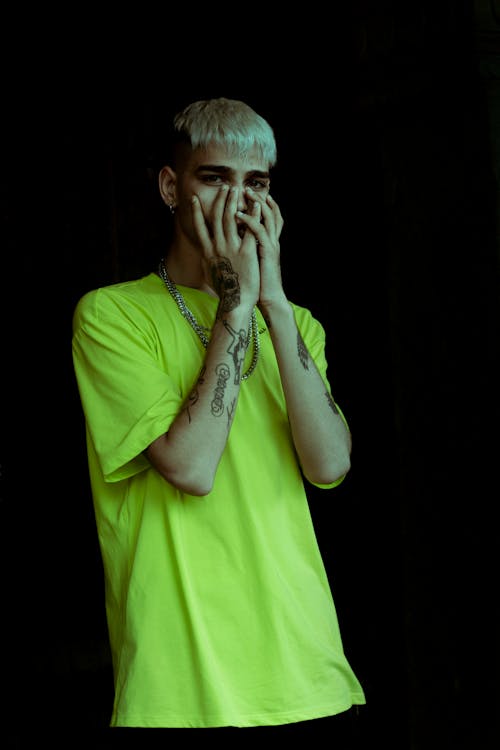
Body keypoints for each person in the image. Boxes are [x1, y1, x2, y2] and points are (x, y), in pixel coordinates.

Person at [71, 97, 366, 742]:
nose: (237, 201)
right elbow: (191, 466)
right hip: (184, 689)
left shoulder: (298, 325)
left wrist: (275, 304)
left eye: (255, 183)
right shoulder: (110, 316)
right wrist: (234, 309)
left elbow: (331, 465)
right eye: (214, 178)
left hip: (306, 672)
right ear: (170, 187)